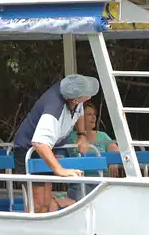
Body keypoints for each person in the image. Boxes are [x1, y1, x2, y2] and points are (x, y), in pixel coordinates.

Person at [12, 74, 97, 213]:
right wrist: (59, 169)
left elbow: (79, 111)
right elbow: (40, 142)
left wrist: (82, 134)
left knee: (46, 201)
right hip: (29, 149)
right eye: (86, 96)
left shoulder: (72, 91)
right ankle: (26, 232)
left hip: (47, 149)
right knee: (38, 202)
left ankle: (39, 233)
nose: (89, 97)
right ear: (75, 99)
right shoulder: (54, 109)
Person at [65, 101, 118, 201]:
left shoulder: (102, 135)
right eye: (89, 114)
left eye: (94, 114)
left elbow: (116, 151)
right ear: (79, 117)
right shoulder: (69, 137)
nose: (93, 117)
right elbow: (60, 155)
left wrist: (114, 161)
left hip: (103, 183)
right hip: (79, 184)